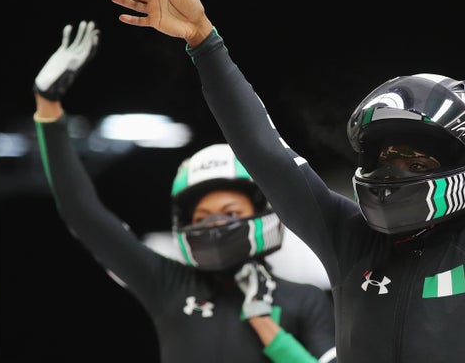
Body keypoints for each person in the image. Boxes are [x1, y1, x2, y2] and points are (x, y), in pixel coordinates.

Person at [108, 0, 465, 362]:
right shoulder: (349, 241)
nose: (394, 171)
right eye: (386, 156)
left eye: (415, 161)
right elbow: (263, 151)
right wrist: (203, 42)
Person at [32, 21, 337, 363]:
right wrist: (48, 107)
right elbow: (83, 213)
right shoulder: (168, 285)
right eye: (203, 217)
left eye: (231, 213)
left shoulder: (304, 299)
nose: (216, 224)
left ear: (261, 213)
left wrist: (265, 325)